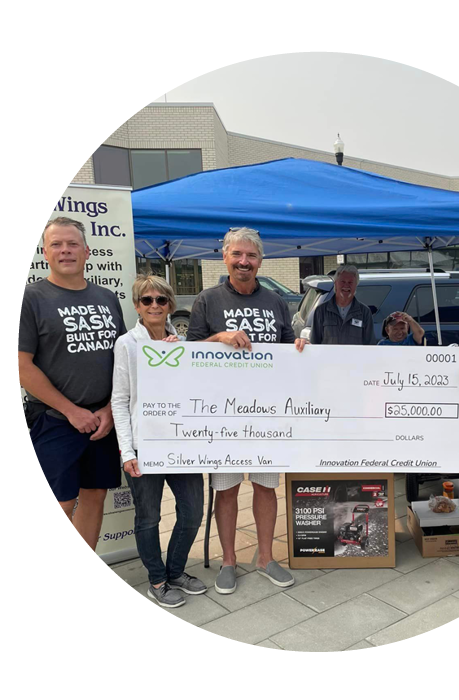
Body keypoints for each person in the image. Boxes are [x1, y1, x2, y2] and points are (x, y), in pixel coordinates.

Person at [186, 227, 306, 595]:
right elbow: (189, 355)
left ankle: (266, 557)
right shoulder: (207, 300)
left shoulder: (275, 302)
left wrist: (301, 344)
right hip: (222, 415)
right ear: (225, 257)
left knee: (267, 488)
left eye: (251, 256)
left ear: (260, 261)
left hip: (269, 413)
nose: (243, 262)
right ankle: (228, 561)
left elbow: (289, 349)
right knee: (227, 488)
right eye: (237, 254)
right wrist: (219, 338)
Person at [18, 217, 126, 550]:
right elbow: (21, 366)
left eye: (72, 244)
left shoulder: (107, 297)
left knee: (94, 497)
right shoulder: (30, 298)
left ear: (87, 251)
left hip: (102, 422)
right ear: (45, 253)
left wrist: (110, 409)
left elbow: (121, 361)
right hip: (56, 421)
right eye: (57, 244)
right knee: (59, 504)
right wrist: (72, 411)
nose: (65, 250)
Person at [111, 275, 206, 608]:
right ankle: (157, 579)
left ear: (169, 305)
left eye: (161, 300)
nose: (154, 306)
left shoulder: (180, 345)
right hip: (144, 446)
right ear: (137, 305)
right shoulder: (128, 344)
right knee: (148, 517)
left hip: (180, 446)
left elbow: (193, 395)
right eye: (147, 300)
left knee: (193, 512)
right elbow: (120, 401)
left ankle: (177, 571)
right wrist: (127, 451)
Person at [310, 264, 376, 345]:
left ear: (356, 285)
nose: (346, 285)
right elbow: (314, 344)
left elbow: (370, 346)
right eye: (343, 281)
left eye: (350, 282)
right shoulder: (321, 311)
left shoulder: (364, 312)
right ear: (335, 283)